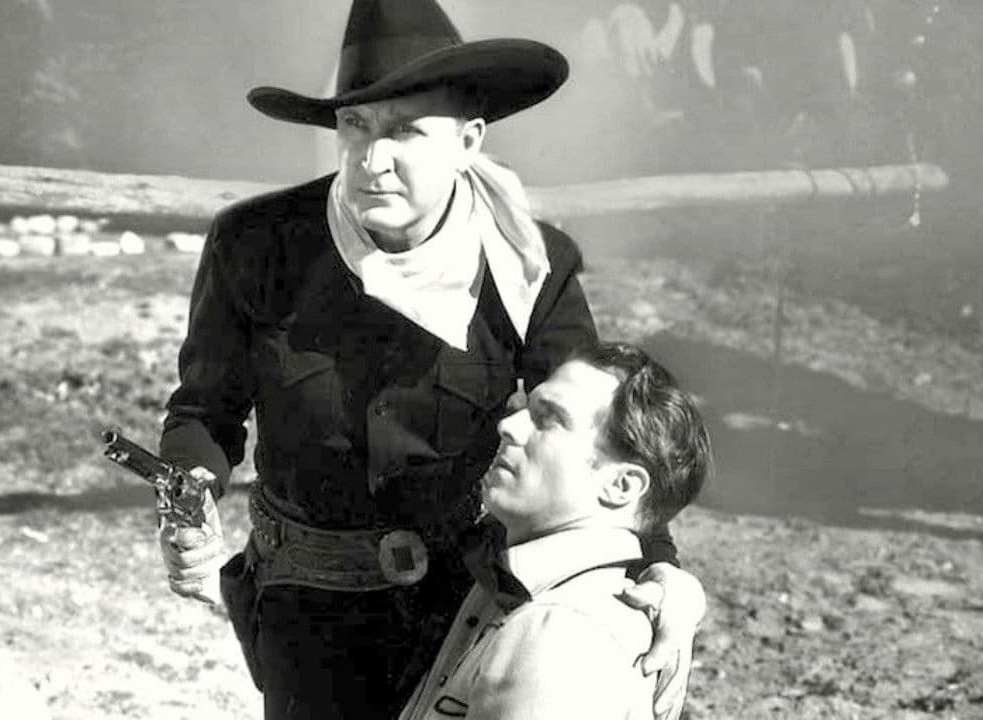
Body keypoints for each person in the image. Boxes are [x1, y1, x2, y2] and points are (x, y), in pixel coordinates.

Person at [157, 1, 706, 718]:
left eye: (405, 131)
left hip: (464, 598)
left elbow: (592, 434)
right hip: (305, 606)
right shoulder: (257, 245)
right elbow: (205, 411)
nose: (370, 161)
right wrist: (188, 495)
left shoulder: (529, 264)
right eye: (354, 125)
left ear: (468, 141)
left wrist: (663, 569)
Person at [399, 342, 710, 720]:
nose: (508, 426)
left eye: (549, 419)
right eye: (524, 409)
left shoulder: (558, 634)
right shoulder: (514, 588)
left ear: (621, 485)